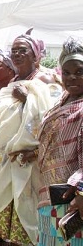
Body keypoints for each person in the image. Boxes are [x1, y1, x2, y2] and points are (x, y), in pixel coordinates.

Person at [0, 34, 62, 245]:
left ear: (36, 56)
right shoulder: (13, 81)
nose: (16, 54)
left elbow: (53, 119)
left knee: (25, 203)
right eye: (14, 50)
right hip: (3, 156)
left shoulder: (44, 80)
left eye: (22, 50)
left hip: (28, 158)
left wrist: (28, 98)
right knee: (4, 203)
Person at [36, 37, 83, 245]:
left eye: (79, 71)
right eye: (67, 72)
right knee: (50, 237)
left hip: (74, 196)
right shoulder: (61, 101)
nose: (72, 77)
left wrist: (81, 193)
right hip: (52, 191)